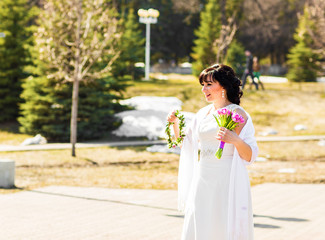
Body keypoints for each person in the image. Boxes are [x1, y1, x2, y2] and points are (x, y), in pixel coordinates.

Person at [167, 64, 258, 240]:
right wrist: (175, 124)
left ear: (223, 86)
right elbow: (185, 144)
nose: (204, 89)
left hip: (225, 179)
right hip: (202, 178)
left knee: (221, 223)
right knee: (200, 221)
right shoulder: (203, 114)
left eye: (209, 84)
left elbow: (249, 156)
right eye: (203, 85)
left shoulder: (237, 113)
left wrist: (235, 140)